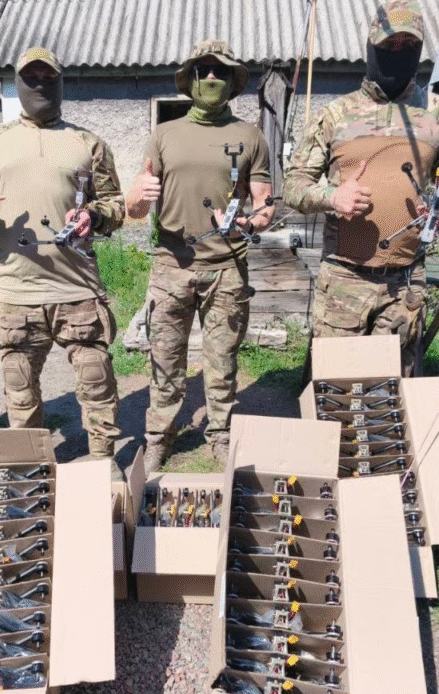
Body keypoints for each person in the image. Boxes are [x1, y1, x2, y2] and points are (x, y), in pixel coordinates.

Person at [0, 48, 126, 479]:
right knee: (20, 388)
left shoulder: (88, 143)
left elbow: (116, 205)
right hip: (17, 290)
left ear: (61, 83)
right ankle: (29, 470)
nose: (41, 85)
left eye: (50, 77)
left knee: (95, 380)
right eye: (33, 77)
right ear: (18, 83)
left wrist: (94, 216)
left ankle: (104, 463)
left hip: (78, 288)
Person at [283, 0, 439, 375]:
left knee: (391, 389)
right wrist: (332, 197)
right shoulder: (336, 115)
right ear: (371, 47)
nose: (397, 53)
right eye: (388, 46)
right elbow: (293, 184)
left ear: (418, 51)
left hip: (405, 281)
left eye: (407, 46)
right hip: (344, 278)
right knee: (334, 384)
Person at [126, 40, 274, 474]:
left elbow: (265, 204)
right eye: (203, 70)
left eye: (220, 72)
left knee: (222, 358)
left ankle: (221, 433)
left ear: (231, 81)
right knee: (165, 359)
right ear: (190, 79)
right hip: (171, 266)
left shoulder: (250, 136)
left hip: (227, 266)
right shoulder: (164, 135)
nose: (211, 78)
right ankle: (159, 436)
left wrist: (253, 221)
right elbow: (136, 207)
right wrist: (136, 199)